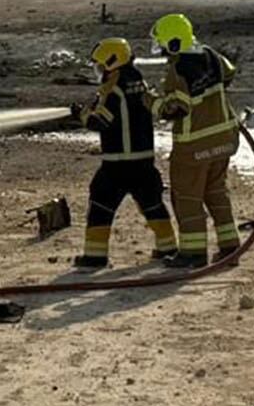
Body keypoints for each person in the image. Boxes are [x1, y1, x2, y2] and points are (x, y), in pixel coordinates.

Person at [71, 37, 177, 271]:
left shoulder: (115, 89)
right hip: (144, 161)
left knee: (100, 204)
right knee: (152, 204)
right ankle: (168, 247)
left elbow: (100, 122)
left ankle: (95, 256)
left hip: (118, 163)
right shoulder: (138, 81)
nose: (99, 71)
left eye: (101, 66)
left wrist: (82, 115)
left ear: (112, 62)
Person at [151, 13, 242, 269]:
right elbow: (229, 73)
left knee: (187, 198)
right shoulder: (212, 55)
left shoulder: (178, 70)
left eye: (162, 43)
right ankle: (230, 248)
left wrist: (150, 101)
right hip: (224, 140)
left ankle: (193, 253)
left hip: (194, 147)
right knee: (216, 194)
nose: (161, 49)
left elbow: (174, 109)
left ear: (173, 43)